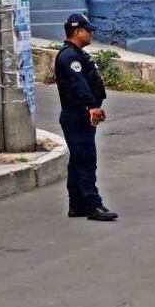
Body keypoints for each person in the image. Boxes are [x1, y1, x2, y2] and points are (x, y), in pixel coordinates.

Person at [54, 13, 117, 222]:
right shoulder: (69, 56)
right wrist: (91, 106)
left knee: (78, 160)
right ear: (77, 31)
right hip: (77, 116)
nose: (91, 34)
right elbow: (79, 83)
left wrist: (95, 106)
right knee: (86, 160)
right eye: (87, 30)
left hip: (82, 115)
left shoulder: (76, 53)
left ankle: (77, 204)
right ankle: (93, 205)